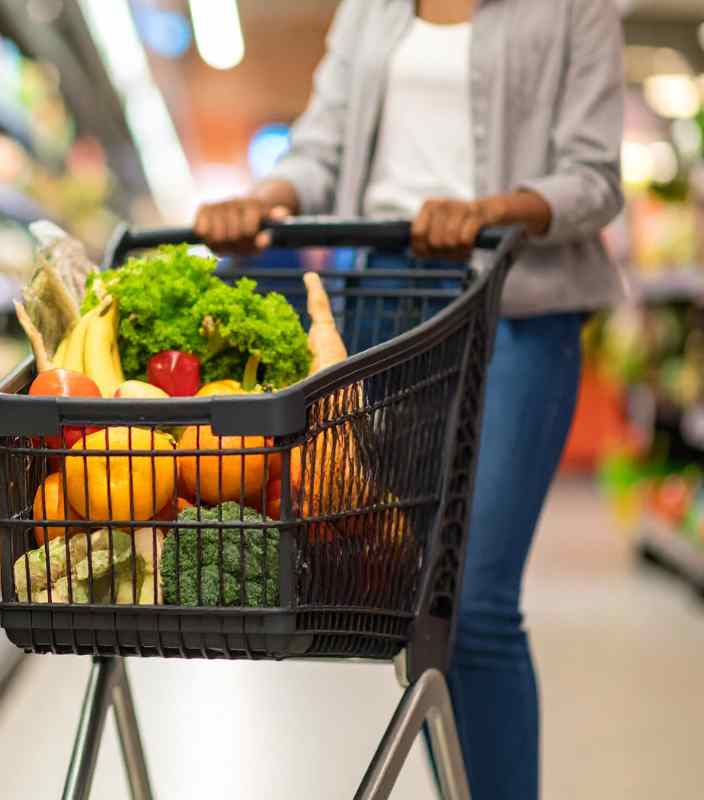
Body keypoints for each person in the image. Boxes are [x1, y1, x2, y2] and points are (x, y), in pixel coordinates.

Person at [193, 1, 624, 798]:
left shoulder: (572, 8)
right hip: (388, 309)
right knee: (418, 605)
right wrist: (269, 195)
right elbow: (321, 148)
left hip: (518, 311)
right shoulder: (373, 9)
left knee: (475, 602)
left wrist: (488, 209)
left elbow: (594, 179)